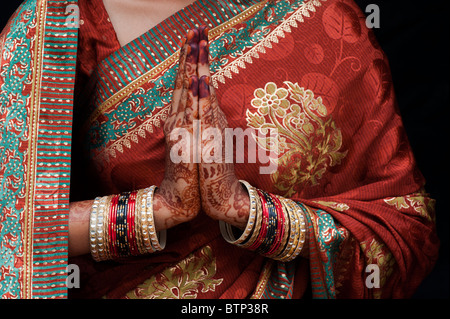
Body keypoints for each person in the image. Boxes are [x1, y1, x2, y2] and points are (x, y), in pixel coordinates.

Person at [0, 0, 439, 299]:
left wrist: (246, 210)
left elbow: (405, 220)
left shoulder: (322, 12)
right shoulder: (55, 22)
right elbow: (10, 235)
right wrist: (159, 209)